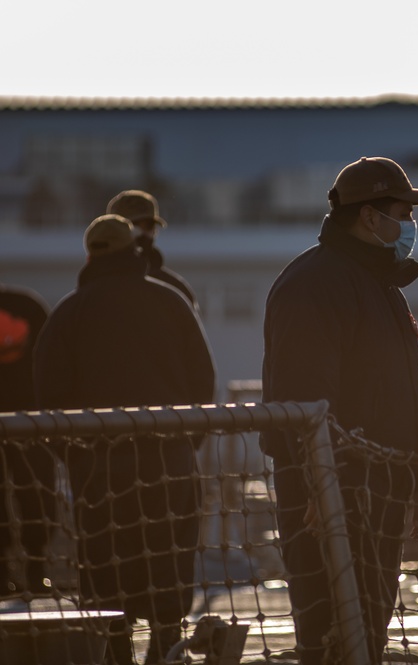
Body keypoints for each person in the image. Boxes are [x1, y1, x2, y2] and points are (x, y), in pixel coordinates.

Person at [261, 156, 418, 664]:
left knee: (367, 632)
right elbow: (302, 398)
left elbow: (400, 393)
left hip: (377, 486)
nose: (410, 226)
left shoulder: (377, 283)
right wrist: (321, 481)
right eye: (404, 213)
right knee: (328, 634)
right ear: (368, 216)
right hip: (331, 494)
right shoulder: (315, 283)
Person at [34, 214, 215, 665]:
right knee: (169, 557)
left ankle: (115, 652)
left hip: (99, 468)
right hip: (169, 459)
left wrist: (74, 457)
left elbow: (48, 394)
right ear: (132, 248)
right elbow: (203, 381)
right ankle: (165, 649)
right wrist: (184, 444)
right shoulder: (171, 301)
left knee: (106, 564)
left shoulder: (71, 312)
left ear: (91, 254)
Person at [0, 283, 55, 596]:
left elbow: (52, 356)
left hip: (33, 421)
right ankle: (31, 571)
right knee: (36, 494)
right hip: (34, 419)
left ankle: (33, 570)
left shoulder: (28, 306)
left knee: (36, 495)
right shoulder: (28, 304)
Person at [107, 189, 198, 308]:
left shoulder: (175, 289)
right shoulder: (95, 290)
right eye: (132, 227)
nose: (141, 234)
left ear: (155, 231)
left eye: (148, 226)